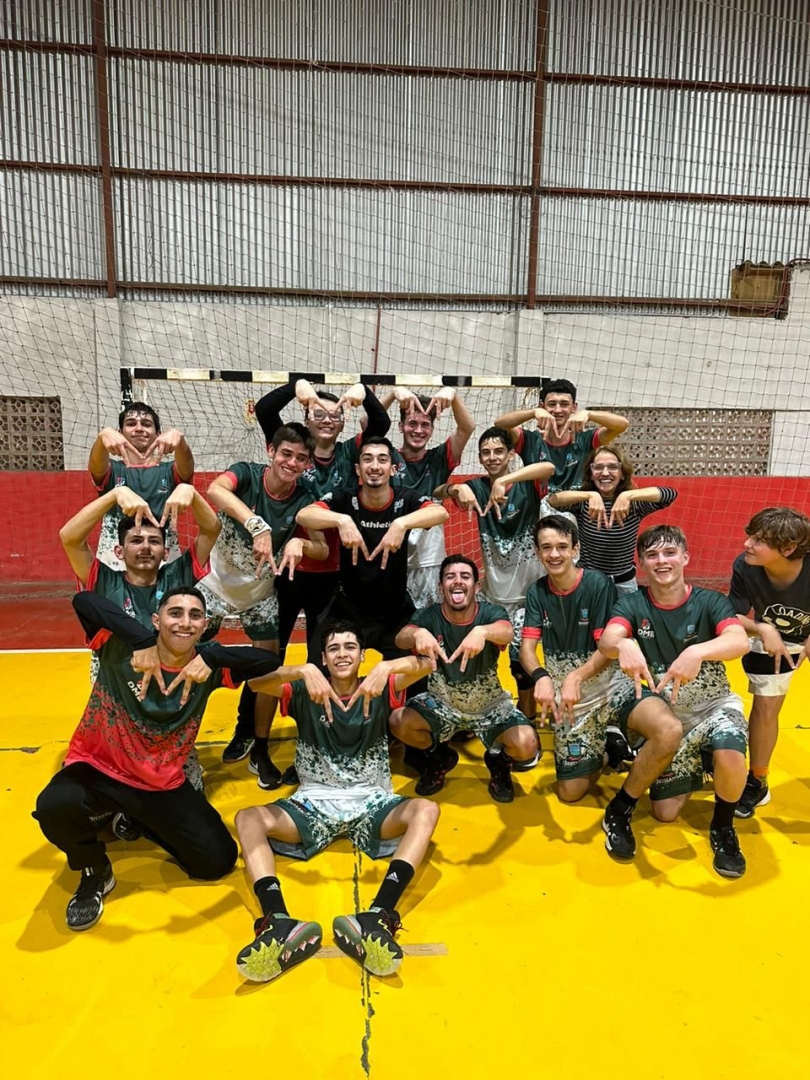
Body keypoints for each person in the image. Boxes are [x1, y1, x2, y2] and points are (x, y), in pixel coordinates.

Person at [33, 586, 282, 932]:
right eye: (175, 613)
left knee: (217, 861)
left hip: (159, 784)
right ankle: (94, 869)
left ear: (204, 625)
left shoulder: (206, 667)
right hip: (98, 769)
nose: (185, 622)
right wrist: (140, 641)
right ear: (156, 619)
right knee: (54, 806)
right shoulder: (118, 646)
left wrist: (213, 658)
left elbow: (270, 661)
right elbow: (83, 601)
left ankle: (132, 817)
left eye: (195, 615)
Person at [233, 620, 437, 983]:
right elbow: (256, 683)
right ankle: (277, 920)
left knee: (427, 810)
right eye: (334, 649)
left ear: (361, 655)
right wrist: (301, 669)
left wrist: (387, 666)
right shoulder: (304, 689)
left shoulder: (379, 686)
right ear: (324, 659)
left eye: (350, 647)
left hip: (372, 802)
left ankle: (378, 915)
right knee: (247, 818)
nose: (342, 654)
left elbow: (427, 663)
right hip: (313, 803)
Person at [598, 525, 751, 878]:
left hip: (712, 705)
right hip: (663, 706)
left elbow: (739, 640)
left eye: (669, 553)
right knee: (665, 811)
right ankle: (622, 807)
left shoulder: (710, 601)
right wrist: (623, 644)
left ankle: (723, 827)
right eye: (652, 555)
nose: (661, 561)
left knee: (730, 750)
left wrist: (697, 652)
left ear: (685, 557)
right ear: (641, 563)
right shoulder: (632, 603)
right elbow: (608, 639)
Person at [59, 481, 221, 797]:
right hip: (119, 690)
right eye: (136, 540)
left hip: (170, 695)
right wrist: (113, 495)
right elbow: (69, 537)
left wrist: (191, 493)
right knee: (106, 784)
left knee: (183, 792)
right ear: (119, 551)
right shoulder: (103, 580)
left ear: (165, 551)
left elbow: (211, 529)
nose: (145, 547)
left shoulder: (178, 576)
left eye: (154, 541)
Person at [203, 424, 329, 789]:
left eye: (301, 458)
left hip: (259, 595)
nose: (292, 463)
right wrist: (257, 525)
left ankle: (260, 746)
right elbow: (215, 490)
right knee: (186, 660)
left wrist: (300, 545)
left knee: (269, 668)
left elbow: (322, 548)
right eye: (286, 454)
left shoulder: (305, 497)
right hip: (213, 586)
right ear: (271, 451)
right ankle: (178, 743)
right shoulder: (246, 474)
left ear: (308, 463)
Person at [251, 376, 392, 660]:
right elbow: (264, 410)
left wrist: (363, 391)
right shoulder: (293, 452)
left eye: (335, 415)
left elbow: (381, 423)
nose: (327, 420)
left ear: (342, 422)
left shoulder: (350, 452)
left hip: (332, 572)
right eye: (319, 413)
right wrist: (296, 386)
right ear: (306, 418)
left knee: (319, 656)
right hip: (286, 568)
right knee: (271, 656)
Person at [390, 556, 540, 802]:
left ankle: (498, 761)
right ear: (441, 587)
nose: (457, 581)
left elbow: (506, 632)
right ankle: (439, 757)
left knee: (527, 744)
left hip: (490, 705)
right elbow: (400, 639)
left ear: (476, 586)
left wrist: (483, 631)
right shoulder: (429, 615)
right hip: (441, 704)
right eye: (450, 577)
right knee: (398, 721)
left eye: (465, 576)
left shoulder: (490, 613)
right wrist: (417, 634)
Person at [434, 426, 554, 717]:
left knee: (520, 664)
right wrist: (455, 488)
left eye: (499, 451)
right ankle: (480, 708)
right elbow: (436, 491)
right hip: (492, 594)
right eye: (486, 452)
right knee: (477, 655)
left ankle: (526, 715)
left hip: (527, 596)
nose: (492, 457)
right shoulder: (477, 488)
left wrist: (505, 480)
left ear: (511, 454)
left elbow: (548, 467)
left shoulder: (527, 485)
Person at [296, 434, 449, 659]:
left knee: (423, 660)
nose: (375, 466)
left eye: (382, 460)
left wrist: (401, 523)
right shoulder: (345, 498)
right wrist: (341, 520)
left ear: (393, 469)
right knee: (317, 660)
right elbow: (304, 515)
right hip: (349, 608)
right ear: (358, 469)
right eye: (367, 459)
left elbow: (440, 512)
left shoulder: (405, 498)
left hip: (394, 611)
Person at [519, 515, 632, 802]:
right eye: (546, 547)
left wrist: (577, 676)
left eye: (562, 546)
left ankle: (620, 730)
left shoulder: (597, 584)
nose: (554, 554)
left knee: (656, 723)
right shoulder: (536, 591)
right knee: (570, 793)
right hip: (569, 698)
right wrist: (541, 677)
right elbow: (527, 650)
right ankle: (610, 751)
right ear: (537, 552)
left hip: (606, 686)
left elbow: (606, 650)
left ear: (575, 549)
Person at [728, 507, 810, 817]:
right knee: (765, 706)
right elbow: (731, 615)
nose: (747, 544)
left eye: (758, 540)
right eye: (750, 536)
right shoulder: (745, 566)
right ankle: (758, 780)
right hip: (774, 638)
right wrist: (762, 628)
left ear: (788, 548)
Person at [380, 386, 475, 607]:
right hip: (392, 557)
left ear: (432, 430)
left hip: (429, 560)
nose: (418, 430)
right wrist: (393, 393)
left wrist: (453, 395)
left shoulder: (439, 458)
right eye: (412, 423)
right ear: (400, 426)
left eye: (425, 425)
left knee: (428, 620)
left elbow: (467, 428)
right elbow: (367, 423)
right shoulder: (386, 457)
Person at [548, 444, 678, 592]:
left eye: (613, 467)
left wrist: (628, 495)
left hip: (623, 583)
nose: (605, 473)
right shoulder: (583, 503)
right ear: (591, 474)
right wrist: (590, 495)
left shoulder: (634, 505)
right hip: (589, 582)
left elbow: (670, 494)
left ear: (622, 474)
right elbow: (553, 500)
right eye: (598, 467)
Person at [88, 402, 194, 568]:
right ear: (119, 434)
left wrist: (180, 441)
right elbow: (95, 465)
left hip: (163, 563)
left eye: (146, 424)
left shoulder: (169, 470)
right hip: (116, 564)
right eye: (131, 424)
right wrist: (102, 438)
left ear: (158, 434)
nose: (139, 428)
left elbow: (187, 467)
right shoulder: (112, 469)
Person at [494, 378, 629, 493]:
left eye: (564, 404)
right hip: (538, 511)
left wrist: (589, 414)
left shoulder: (585, 440)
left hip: (576, 510)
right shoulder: (530, 440)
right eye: (552, 404)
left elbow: (622, 425)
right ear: (542, 406)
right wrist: (533, 412)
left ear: (574, 408)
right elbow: (500, 425)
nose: (558, 410)